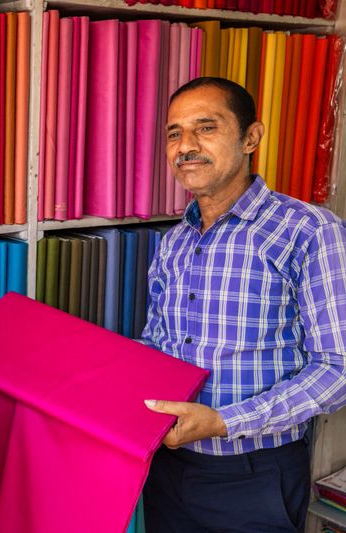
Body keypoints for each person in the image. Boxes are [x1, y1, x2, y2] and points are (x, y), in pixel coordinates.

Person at [141, 77, 346, 532]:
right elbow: (155, 347)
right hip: (166, 467)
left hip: (255, 475)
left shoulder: (309, 231)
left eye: (206, 128)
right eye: (174, 133)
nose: (185, 146)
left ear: (251, 137)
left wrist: (223, 422)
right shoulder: (173, 243)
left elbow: (337, 369)